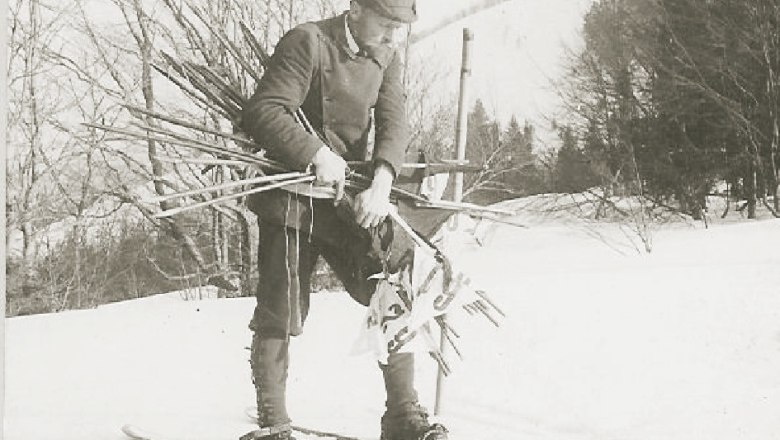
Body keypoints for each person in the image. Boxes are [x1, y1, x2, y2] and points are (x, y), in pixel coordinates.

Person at [239, 1, 448, 440]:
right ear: (355, 9)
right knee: (283, 305)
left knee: (395, 284)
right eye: (386, 24)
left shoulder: (385, 55)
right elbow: (266, 110)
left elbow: (393, 122)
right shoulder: (309, 41)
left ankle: (402, 417)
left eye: (400, 28)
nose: (393, 37)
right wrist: (315, 154)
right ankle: (273, 423)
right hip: (293, 198)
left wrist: (384, 179)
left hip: (348, 199)